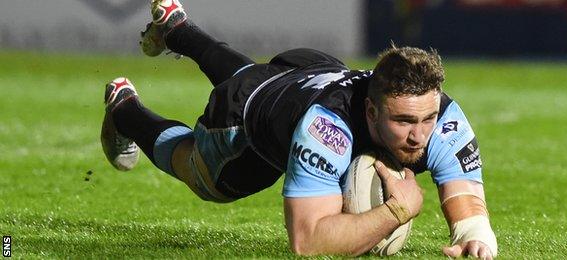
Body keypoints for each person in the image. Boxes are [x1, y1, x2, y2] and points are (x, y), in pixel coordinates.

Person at [101, 0, 498, 258]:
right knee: (203, 177)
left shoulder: (443, 117)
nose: (419, 135)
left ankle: (179, 31)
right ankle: (125, 110)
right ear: (371, 110)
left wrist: (474, 237)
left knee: (256, 76)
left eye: (427, 119)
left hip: (308, 71)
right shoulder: (327, 129)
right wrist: (398, 209)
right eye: (404, 121)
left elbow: (467, 199)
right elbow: (308, 241)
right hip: (245, 120)